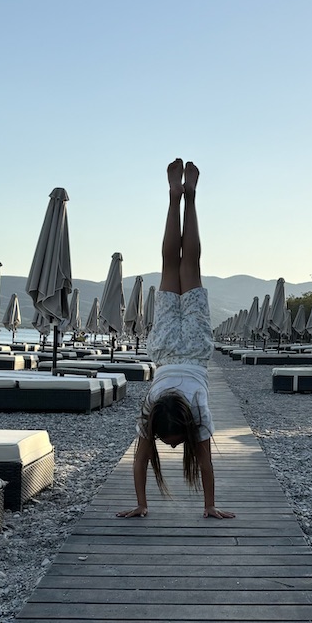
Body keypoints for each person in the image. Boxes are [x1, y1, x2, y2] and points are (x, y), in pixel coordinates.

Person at [117, 158, 235, 520]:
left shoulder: (195, 411)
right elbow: (144, 461)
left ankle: (190, 198)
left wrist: (143, 504)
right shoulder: (152, 408)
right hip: (166, 349)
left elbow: (198, 462)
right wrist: (208, 506)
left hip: (195, 349)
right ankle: (175, 198)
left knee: (190, 263)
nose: (170, 447)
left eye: (168, 442)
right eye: (174, 442)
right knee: (170, 264)